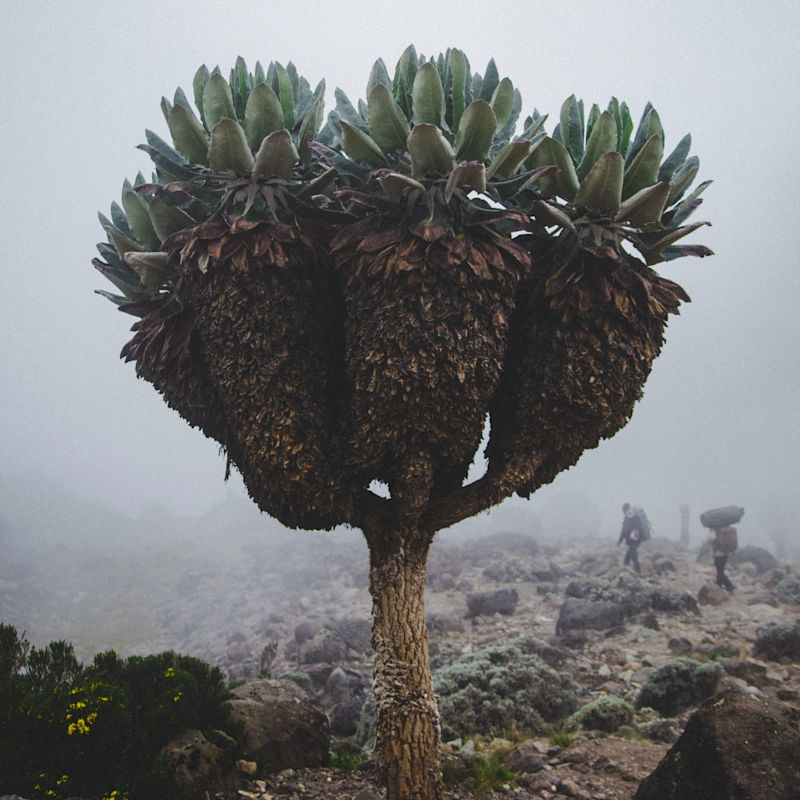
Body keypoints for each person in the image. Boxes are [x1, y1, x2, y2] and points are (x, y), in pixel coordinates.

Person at [618, 502, 642, 574]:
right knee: (629, 555)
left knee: (634, 555)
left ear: (625, 509)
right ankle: (626, 567)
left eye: (623, 510)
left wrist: (620, 540)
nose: (623, 512)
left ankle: (638, 571)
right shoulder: (634, 515)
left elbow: (624, 530)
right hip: (637, 537)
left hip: (633, 539)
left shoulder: (628, 516)